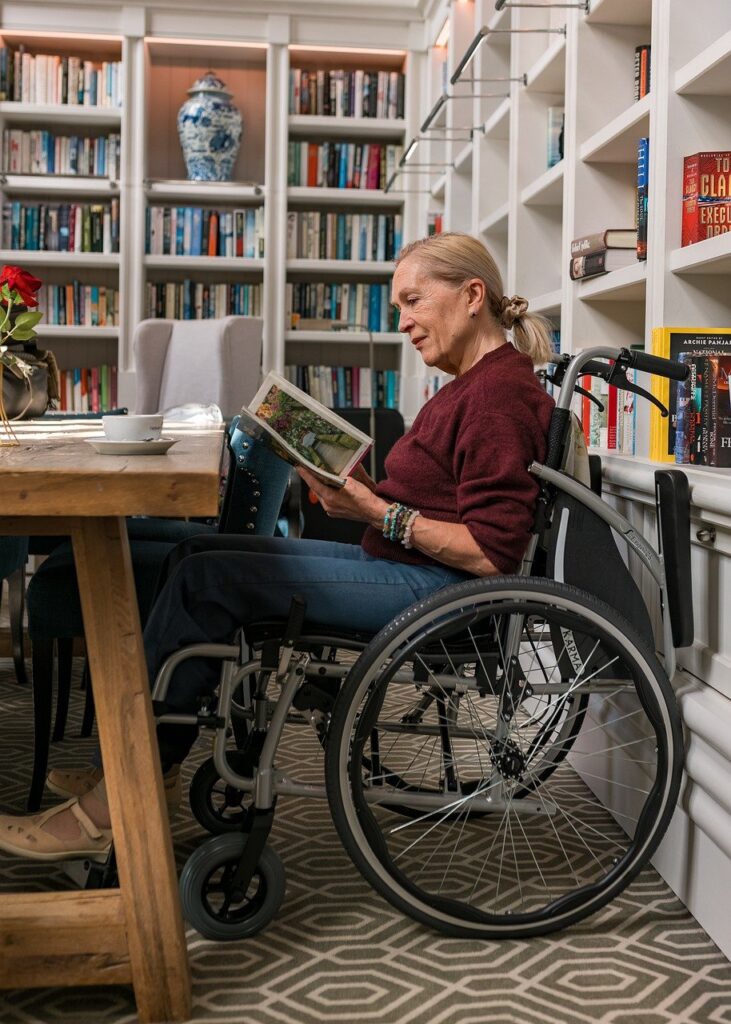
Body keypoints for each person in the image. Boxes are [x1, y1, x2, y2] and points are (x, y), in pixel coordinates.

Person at [0, 232, 556, 861]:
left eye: (412, 302)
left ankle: (117, 801)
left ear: (472, 296)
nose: (402, 322)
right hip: (409, 565)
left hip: (442, 591)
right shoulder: (469, 385)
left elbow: (491, 552)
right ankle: (140, 768)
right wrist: (356, 489)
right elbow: (439, 502)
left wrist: (374, 509)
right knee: (195, 558)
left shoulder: (498, 396)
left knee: (206, 579)